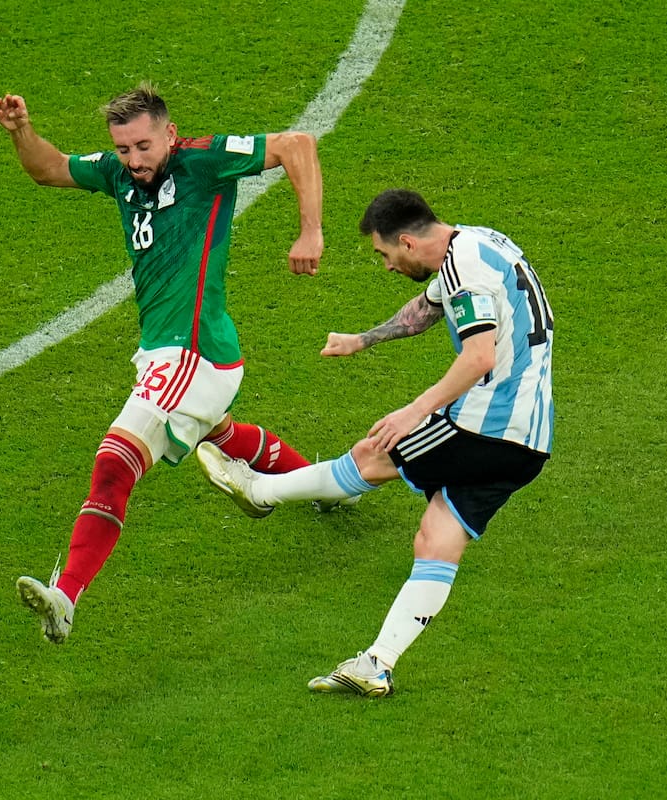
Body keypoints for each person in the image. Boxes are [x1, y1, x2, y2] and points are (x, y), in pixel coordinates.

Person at [0, 82, 326, 643]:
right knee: (219, 434)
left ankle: (65, 597)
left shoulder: (202, 162)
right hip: (169, 352)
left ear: (170, 134)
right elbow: (48, 169)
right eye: (123, 149)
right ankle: (336, 484)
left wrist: (310, 231)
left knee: (114, 463)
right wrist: (22, 131)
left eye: (144, 147)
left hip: (194, 353)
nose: (134, 161)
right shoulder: (118, 174)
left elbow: (298, 144)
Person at [196, 188, 554, 695]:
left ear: (407, 241)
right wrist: (361, 340)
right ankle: (377, 664)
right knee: (436, 539)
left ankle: (259, 491)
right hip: (530, 442)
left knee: (373, 455)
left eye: (385, 254)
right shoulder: (480, 243)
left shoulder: (464, 268)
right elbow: (427, 308)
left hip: (485, 425)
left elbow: (479, 357)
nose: (386, 266)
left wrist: (414, 411)